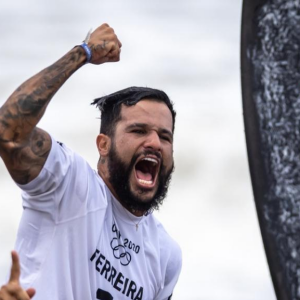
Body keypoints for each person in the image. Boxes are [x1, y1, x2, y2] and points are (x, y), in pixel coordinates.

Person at [0, 23, 182, 300]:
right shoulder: (68, 184)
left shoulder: (166, 255)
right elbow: (9, 132)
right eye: (139, 130)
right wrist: (82, 52)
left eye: (165, 136)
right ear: (103, 145)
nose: (155, 143)